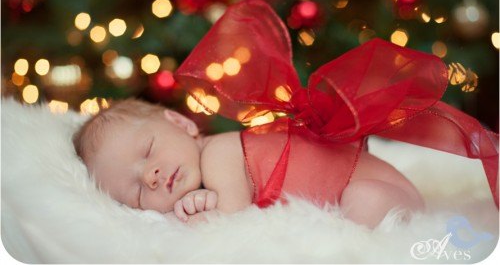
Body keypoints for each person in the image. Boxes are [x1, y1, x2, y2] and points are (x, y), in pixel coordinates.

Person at [73, 99, 424, 228]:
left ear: (182, 124)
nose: (149, 176)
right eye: (135, 192)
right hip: (365, 193)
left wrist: (198, 217)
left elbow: (230, 218)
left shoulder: (220, 152)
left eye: (149, 150)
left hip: (382, 192)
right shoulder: (205, 174)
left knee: (363, 206)